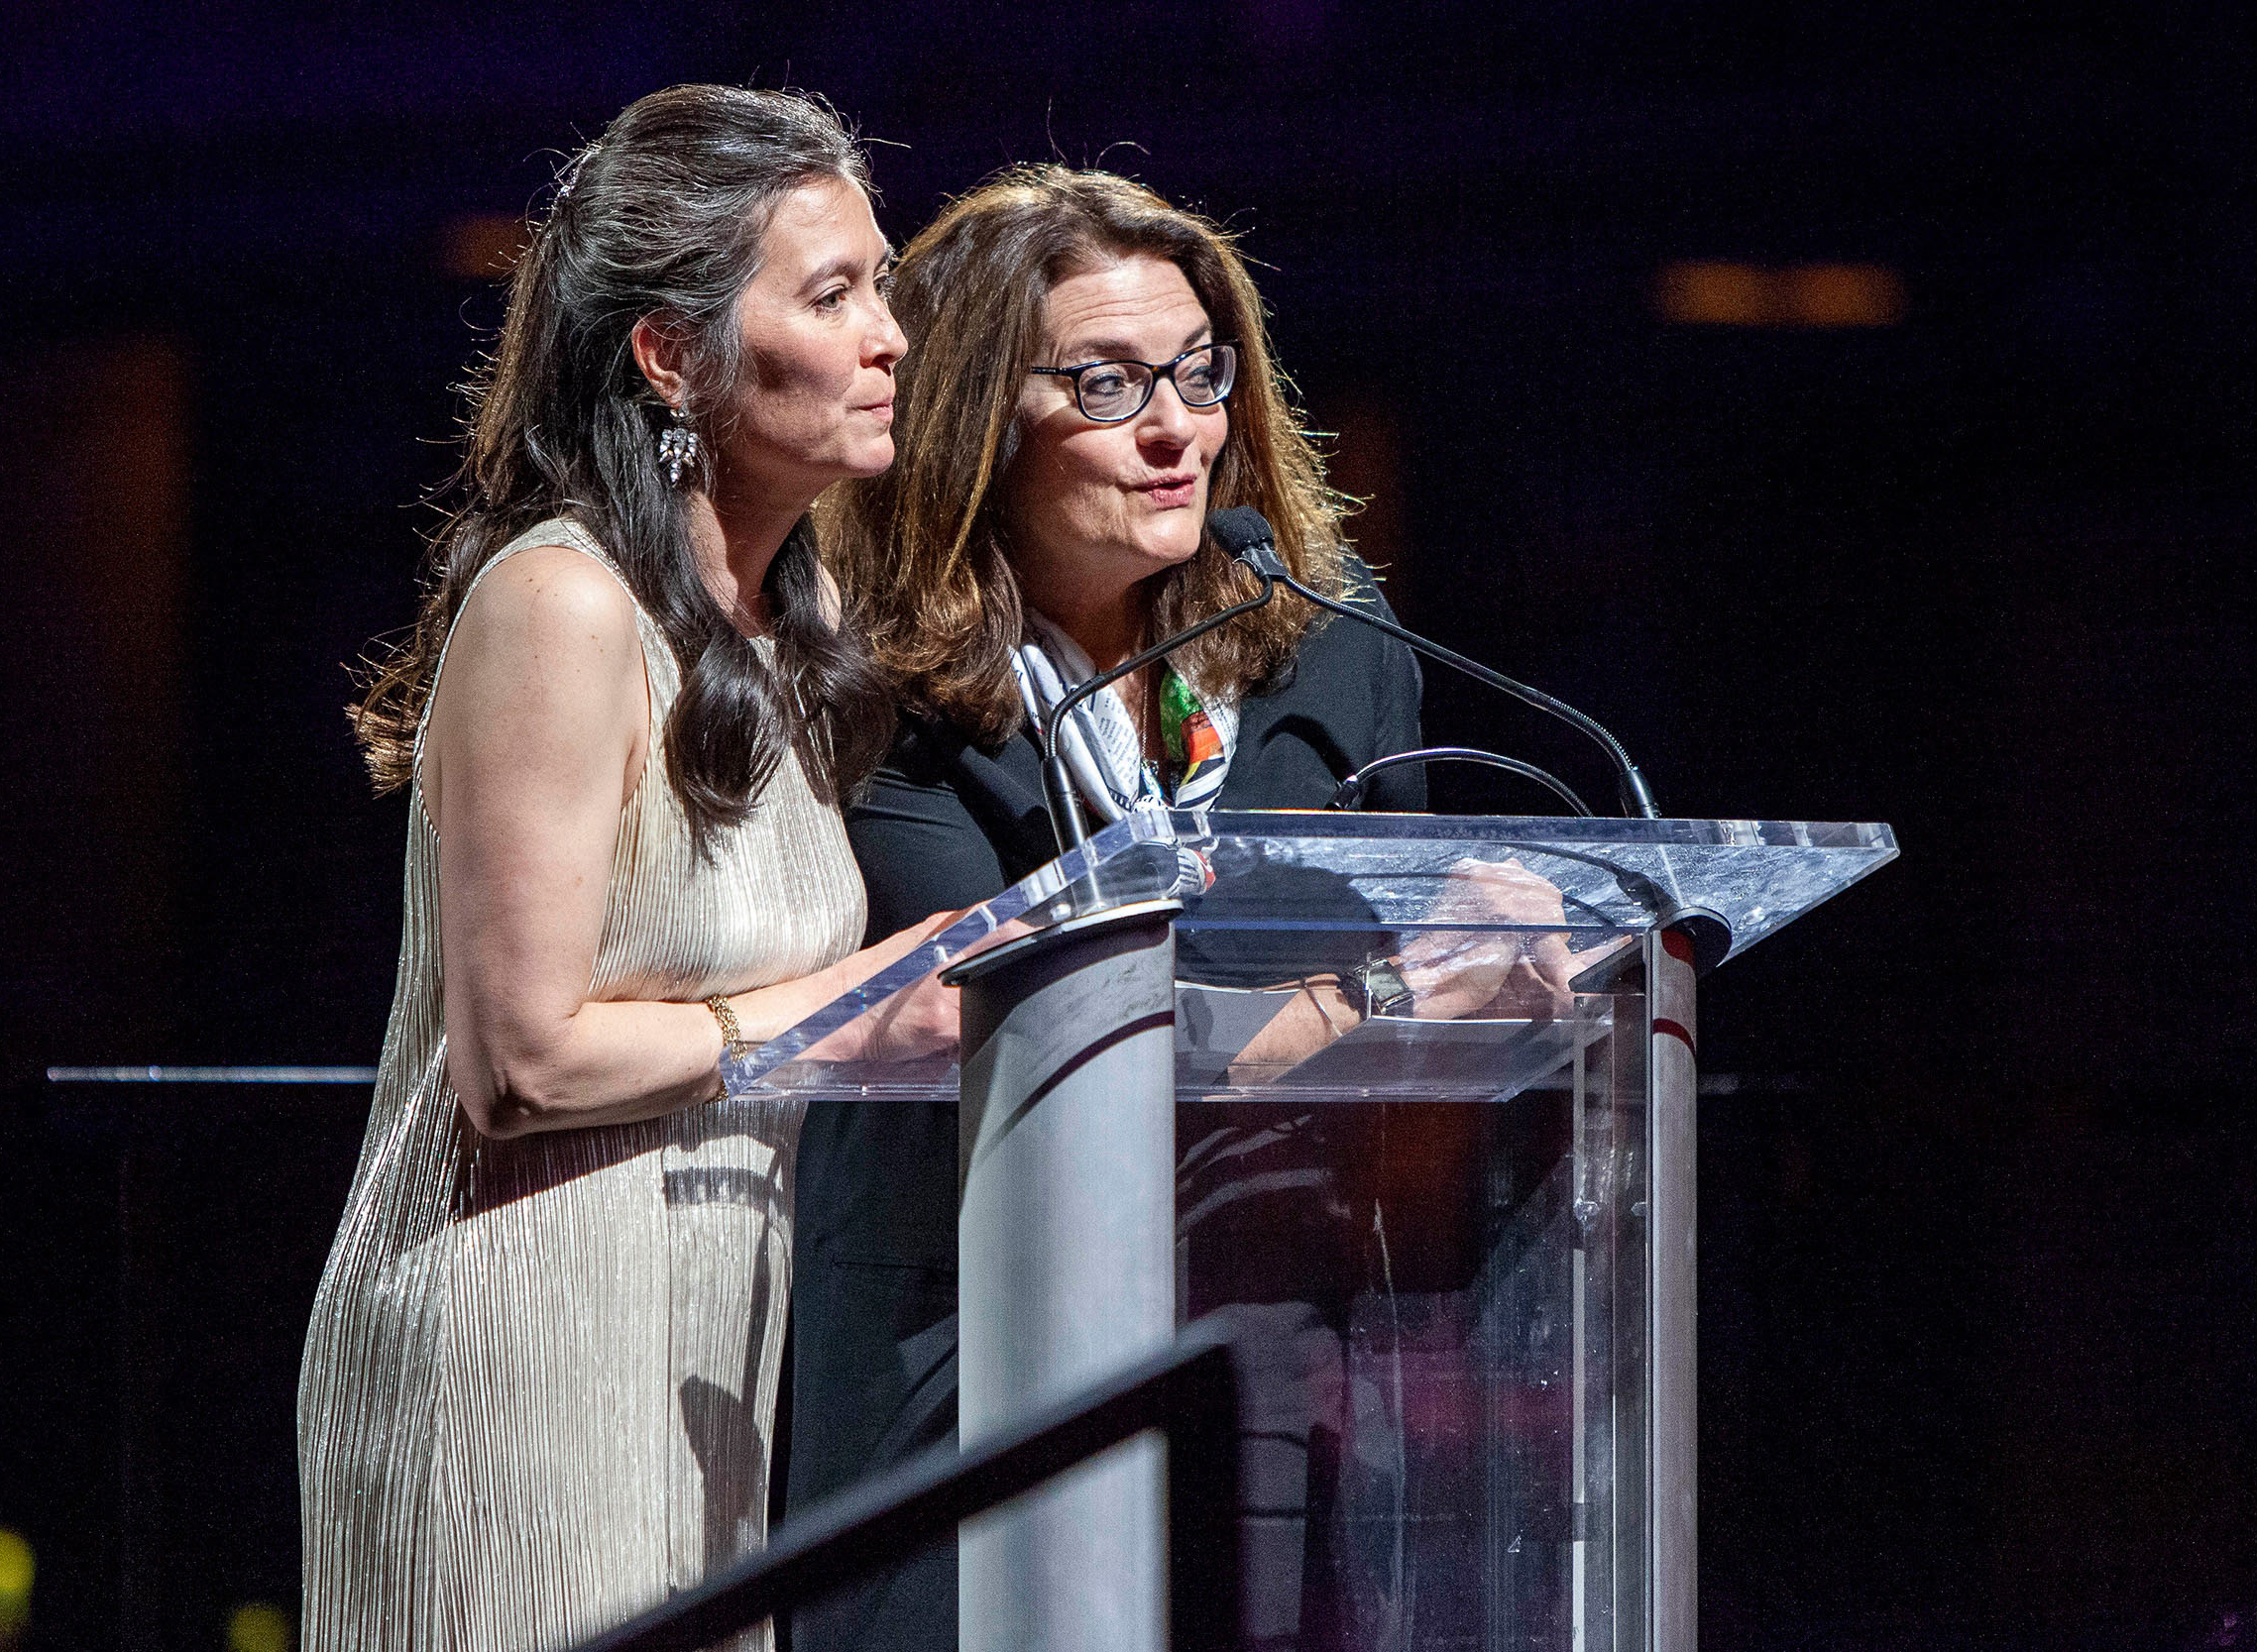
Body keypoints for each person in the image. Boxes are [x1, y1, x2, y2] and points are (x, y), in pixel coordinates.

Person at [296, 85, 945, 1652]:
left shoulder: (787, 628)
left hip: (696, 1331)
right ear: (671, 355)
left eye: (886, 287)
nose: (893, 338)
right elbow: (515, 1061)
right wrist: (841, 1015)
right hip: (514, 1329)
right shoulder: (564, 605)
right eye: (833, 293)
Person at [785, 165, 1436, 1651]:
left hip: (1256, 1323)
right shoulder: (880, 692)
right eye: (1107, 382)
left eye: (1200, 373)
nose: (1177, 430)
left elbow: (1413, 955)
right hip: (958, 1339)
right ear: (975, 421)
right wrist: (1372, 1001)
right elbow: (1034, 1026)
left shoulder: (1330, 656)